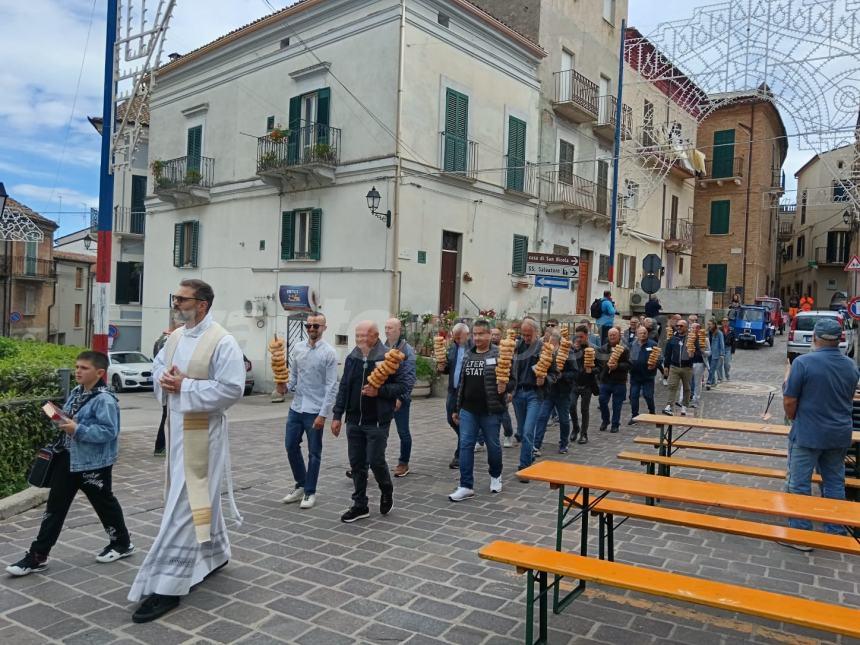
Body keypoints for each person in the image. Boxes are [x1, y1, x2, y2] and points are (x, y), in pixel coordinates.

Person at [129, 279, 246, 623]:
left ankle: (168, 584)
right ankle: (214, 553)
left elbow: (233, 388)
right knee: (198, 498)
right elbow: (158, 367)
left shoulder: (222, 341)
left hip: (203, 434)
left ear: (202, 304)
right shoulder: (175, 337)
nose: (175, 303)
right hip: (177, 429)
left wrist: (186, 386)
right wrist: (165, 379)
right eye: (175, 298)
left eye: (182, 299)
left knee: (184, 501)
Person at [6, 351, 133, 577]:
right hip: (67, 458)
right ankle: (38, 555)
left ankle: (121, 543)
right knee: (55, 509)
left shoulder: (105, 399)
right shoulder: (77, 392)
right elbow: (72, 418)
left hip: (93, 464)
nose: (78, 371)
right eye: (77, 367)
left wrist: (78, 429)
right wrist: (59, 417)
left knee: (105, 504)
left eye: (84, 368)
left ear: (100, 372)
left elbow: (109, 431)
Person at [782, 318, 860, 543]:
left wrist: (794, 417)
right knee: (834, 482)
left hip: (808, 433)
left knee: (799, 483)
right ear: (839, 340)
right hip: (839, 434)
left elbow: (789, 400)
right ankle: (835, 530)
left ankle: (801, 534)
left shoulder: (803, 363)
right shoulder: (850, 366)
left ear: (815, 338)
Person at [332, 321, 404, 523]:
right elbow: (344, 387)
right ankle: (360, 504)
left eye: (365, 336)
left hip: (377, 420)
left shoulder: (387, 357)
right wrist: (338, 415)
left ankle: (386, 489)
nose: (361, 340)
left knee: (375, 460)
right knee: (356, 463)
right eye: (358, 336)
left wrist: (378, 391)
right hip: (354, 419)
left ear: (375, 335)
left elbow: (402, 386)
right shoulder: (352, 358)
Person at [448, 320, 515, 501]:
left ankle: (495, 476)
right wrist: (457, 408)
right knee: (465, 445)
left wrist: (506, 387)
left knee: (493, 445)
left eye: (480, 334)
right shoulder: (468, 355)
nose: (477, 338)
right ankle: (466, 485)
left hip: (491, 409)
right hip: (468, 410)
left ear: (489, 335)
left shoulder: (500, 354)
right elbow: (462, 383)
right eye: (474, 334)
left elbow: (512, 379)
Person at [279, 313, 338, 510]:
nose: (312, 329)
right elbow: (294, 376)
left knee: (314, 452)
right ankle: (301, 484)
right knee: (290, 446)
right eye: (309, 326)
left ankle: (310, 491)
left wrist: (323, 414)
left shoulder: (329, 353)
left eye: (316, 326)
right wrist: (285, 387)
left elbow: (331, 386)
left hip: (315, 409)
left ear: (324, 328)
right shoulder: (298, 348)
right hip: (297, 406)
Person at [382, 317, 417, 478]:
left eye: (390, 328)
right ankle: (371, 463)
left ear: (399, 330)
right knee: (379, 432)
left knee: (403, 432)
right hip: (383, 397)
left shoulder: (407, 350)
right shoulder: (381, 347)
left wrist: (401, 398)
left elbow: (409, 378)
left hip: (399, 398)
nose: (387, 330)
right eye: (386, 327)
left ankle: (403, 463)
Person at [512, 317, 544, 477]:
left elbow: (554, 373)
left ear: (536, 333)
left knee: (527, 431)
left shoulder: (544, 349)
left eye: (528, 335)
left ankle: (524, 466)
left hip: (534, 394)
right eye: (523, 334)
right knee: (521, 430)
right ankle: (529, 455)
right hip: (518, 394)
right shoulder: (517, 347)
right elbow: (511, 370)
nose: (525, 338)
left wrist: (545, 379)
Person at [534, 330, 575, 453]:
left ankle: (564, 443)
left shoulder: (568, 353)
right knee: (542, 417)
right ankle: (536, 445)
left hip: (563, 392)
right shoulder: (545, 352)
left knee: (563, 419)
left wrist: (562, 375)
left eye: (547, 339)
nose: (545, 341)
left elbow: (574, 372)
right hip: (548, 391)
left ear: (554, 339)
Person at [440, 323, 470, 469]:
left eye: (460, 338)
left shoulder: (474, 349)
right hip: (452, 391)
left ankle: (460, 455)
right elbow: (448, 368)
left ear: (467, 335)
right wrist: (442, 367)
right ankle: (467, 438)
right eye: (455, 338)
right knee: (450, 420)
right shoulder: (453, 348)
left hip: (466, 392)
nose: (457, 340)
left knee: (462, 421)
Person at [598, 327, 630, 433]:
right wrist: (606, 365)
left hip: (619, 381)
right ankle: (605, 420)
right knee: (602, 401)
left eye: (614, 335)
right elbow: (600, 363)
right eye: (610, 335)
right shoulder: (603, 348)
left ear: (619, 336)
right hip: (605, 380)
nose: (612, 337)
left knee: (617, 405)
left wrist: (618, 366)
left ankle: (615, 424)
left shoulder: (624, 349)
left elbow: (629, 365)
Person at [570, 325, 597, 445]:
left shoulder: (594, 349)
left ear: (587, 335)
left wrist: (592, 370)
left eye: (581, 336)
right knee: (571, 406)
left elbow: (601, 367)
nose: (579, 339)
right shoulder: (573, 349)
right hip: (574, 383)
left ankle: (583, 434)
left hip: (587, 384)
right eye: (577, 336)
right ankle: (575, 427)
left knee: (584, 409)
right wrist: (573, 351)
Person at [627, 327, 659, 425]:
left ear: (647, 334)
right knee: (634, 396)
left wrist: (655, 365)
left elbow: (659, 358)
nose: (643, 335)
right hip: (635, 375)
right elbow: (628, 358)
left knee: (648, 395)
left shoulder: (652, 344)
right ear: (637, 334)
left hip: (648, 376)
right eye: (640, 333)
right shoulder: (632, 344)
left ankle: (652, 413)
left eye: (644, 333)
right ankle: (634, 416)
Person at [490, 327, 516, 448]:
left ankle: (508, 433)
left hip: (504, 389)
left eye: (497, 335)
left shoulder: (507, 352)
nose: (494, 337)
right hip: (489, 389)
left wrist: (510, 390)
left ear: (501, 336)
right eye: (492, 334)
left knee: (504, 414)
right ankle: (480, 440)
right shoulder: (487, 351)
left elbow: (512, 376)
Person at [662, 319, 694, 416]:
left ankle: (684, 406)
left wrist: (692, 355)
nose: (679, 327)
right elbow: (667, 353)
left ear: (686, 327)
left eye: (681, 326)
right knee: (672, 386)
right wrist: (666, 366)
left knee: (687, 388)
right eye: (677, 326)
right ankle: (669, 406)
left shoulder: (691, 338)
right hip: (674, 366)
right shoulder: (673, 338)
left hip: (687, 367)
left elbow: (697, 352)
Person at [152, 330, 172, 456]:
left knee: (165, 416)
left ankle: (161, 447)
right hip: (168, 385)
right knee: (167, 417)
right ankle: (161, 446)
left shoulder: (161, 340)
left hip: (165, 384)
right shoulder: (169, 340)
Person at [688, 322, 710, 408]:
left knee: (697, 383)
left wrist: (703, 352)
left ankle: (695, 401)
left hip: (699, 363)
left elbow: (709, 352)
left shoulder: (705, 339)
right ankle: (682, 400)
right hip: (688, 363)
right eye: (692, 328)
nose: (693, 330)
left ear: (699, 329)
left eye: (695, 328)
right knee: (686, 383)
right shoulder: (688, 338)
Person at [705, 320, 724, 389]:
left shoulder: (719, 333)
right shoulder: (707, 333)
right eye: (708, 324)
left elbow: (722, 344)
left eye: (710, 324)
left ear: (714, 324)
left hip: (715, 353)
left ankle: (709, 382)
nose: (709, 326)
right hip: (708, 353)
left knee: (712, 368)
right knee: (709, 368)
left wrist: (722, 354)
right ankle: (713, 381)